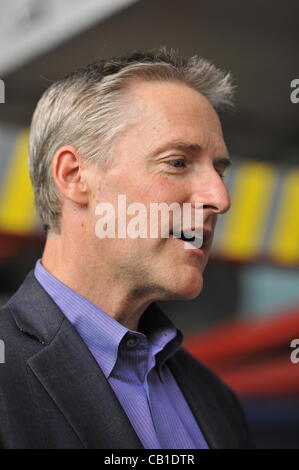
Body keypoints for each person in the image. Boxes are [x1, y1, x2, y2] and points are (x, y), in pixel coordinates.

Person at [0, 48, 254, 449]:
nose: (220, 198)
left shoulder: (215, 400)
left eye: (219, 170)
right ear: (75, 176)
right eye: (177, 162)